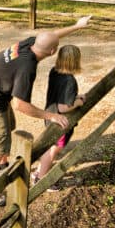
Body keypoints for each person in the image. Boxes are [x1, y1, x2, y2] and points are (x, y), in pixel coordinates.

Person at [0, 15, 91, 206]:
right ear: (53, 52)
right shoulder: (27, 68)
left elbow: (51, 36)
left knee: (8, 128)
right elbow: (20, 105)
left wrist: (77, 26)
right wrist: (50, 115)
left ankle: (2, 165)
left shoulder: (30, 44)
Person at [32, 44, 86, 191]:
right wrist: (78, 102)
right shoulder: (70, 80)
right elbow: (64, 107)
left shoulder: (54, 71)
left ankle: (39, 171)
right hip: (60, 121)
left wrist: (74, 97)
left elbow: (62, 96)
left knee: (49, 146)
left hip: (50, 114)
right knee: (53, 150)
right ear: (75, 60)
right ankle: (41, 179)